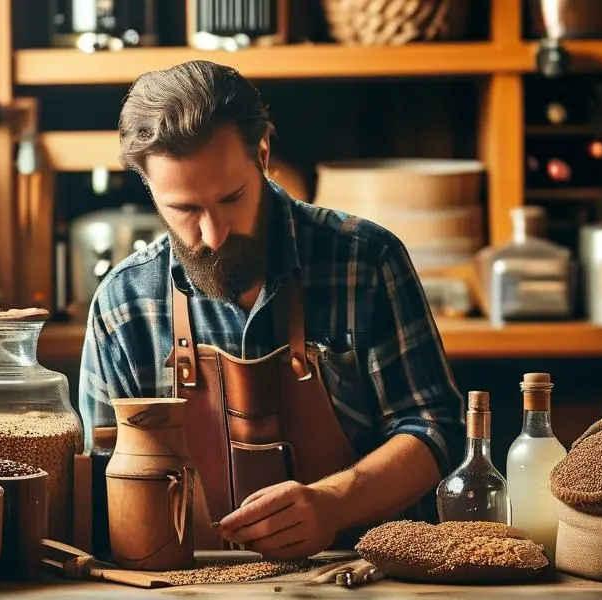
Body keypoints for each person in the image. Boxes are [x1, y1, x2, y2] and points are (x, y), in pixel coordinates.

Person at [78, 59, 465, 560]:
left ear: (262, 154)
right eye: (185, 210)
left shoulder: (365, 260)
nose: (213, 236)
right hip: (184, 585)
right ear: (149, 188)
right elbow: (99, 472)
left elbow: (436, 427)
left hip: (361, 574)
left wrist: (333, 503)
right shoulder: (123, 304)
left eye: (231, 198)